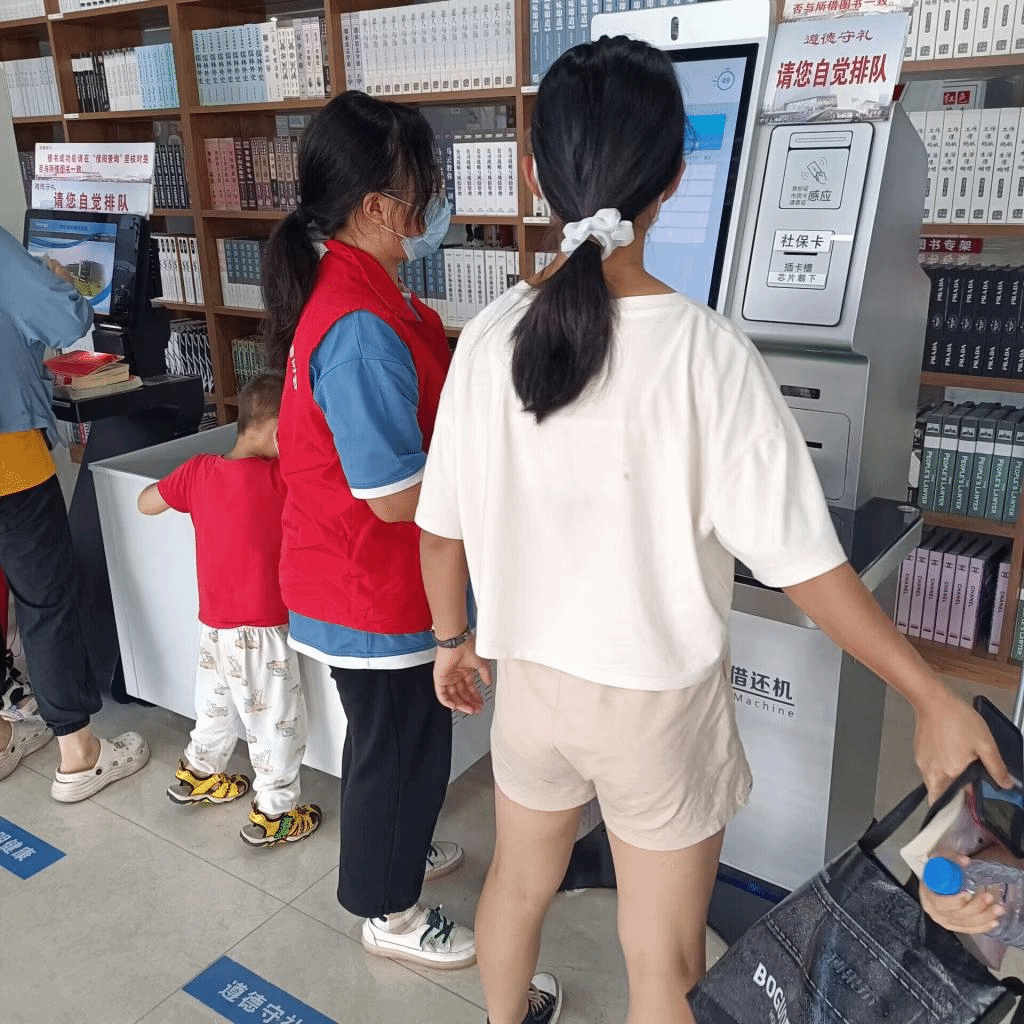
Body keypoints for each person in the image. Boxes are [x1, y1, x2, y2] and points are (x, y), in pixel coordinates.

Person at [413, 36, 1011, 1024]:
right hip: (656, 713)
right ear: (675, 181)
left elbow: (441, 531)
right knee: (663, 958)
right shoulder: (709, 355)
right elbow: (808, 568)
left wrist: (450, 639)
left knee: (516, 885)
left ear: (531, 174)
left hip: (534, 692)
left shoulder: (486, 340)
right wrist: (928, 692)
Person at [261, 91, 474, 969]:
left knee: (403, 742)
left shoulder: (368, 292)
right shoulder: (356, 325)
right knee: (398, 750)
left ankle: (399, 846)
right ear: (379, 207)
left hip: (366, 574)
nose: (435, 201)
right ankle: (389, 910)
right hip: (368, 582)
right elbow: (391, 495)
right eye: (424, 185)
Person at [137, 373, 322, 847]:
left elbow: (146, 503)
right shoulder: (282, 479)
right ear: (279, 431)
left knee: (215, 708)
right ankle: (275, 812)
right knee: (277, 724)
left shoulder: (199, 470)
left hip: (214, 627)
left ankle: (199, 772)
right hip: (263, 631)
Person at [0, 225, 149, 799]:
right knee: (45, 597)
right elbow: (64, 320)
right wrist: (62, 282)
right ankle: (79, 754)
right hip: (7, 458)